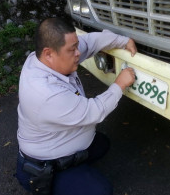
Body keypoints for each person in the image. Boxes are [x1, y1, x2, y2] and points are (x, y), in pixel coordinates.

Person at [15, 17, 137, 195]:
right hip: (45, 168)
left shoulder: (40, 59)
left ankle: (76, 169)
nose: (78, 53)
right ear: (49, 54)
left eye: (76, 46)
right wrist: (120, 84)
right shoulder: (46, 93)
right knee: (100, 191)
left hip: (56, 148)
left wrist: (124, 41)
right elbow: (95, 111)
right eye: (72, 50)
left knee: (101, 144)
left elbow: (90, 42)